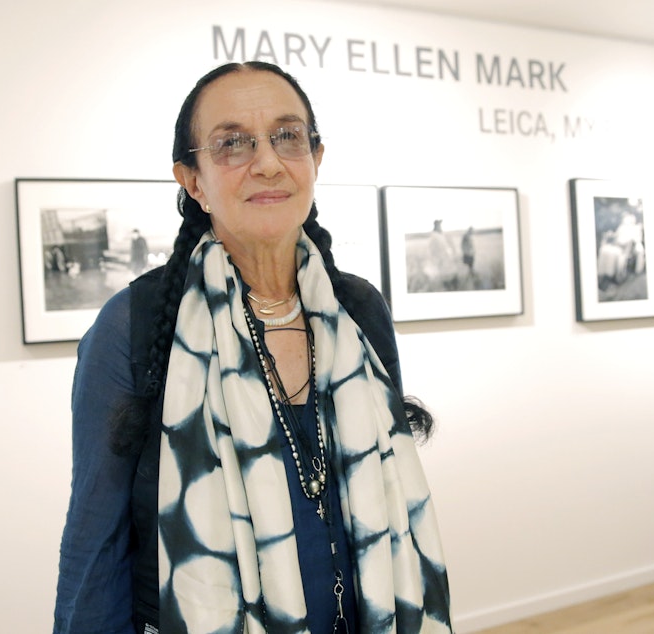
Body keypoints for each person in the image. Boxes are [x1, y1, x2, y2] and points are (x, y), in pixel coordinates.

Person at [53, 61, 453, 634]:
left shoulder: (359, 310)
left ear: (316, 159)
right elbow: (95, 541)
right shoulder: (133, 327)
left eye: (288, 137)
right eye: (232, 144)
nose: (267, 162)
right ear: (193, 181)